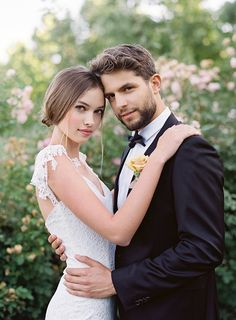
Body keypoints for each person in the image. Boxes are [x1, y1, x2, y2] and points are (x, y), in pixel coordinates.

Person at [49, 45, 224, 320]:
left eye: (128, 89)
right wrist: (72, 237)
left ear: (155, 83)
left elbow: (203, 249)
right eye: (111, 96)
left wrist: (118, 282)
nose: (120, 104)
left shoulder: (190, 151)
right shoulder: (133, 148)